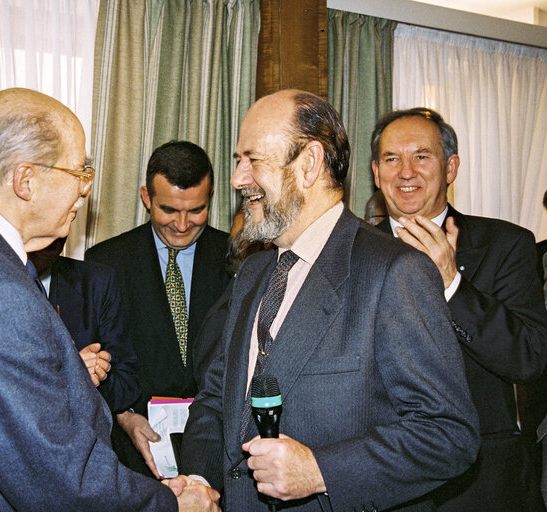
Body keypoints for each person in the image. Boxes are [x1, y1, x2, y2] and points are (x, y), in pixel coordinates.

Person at [0, 88, 219, 511]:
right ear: (26, 179)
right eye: (80, 172)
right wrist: (171, 505)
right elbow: (58, 478)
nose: (85, 191)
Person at [179, 89, 480, 511]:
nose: (238, 179)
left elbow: (449, 435)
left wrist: (321, 470)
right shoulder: (252, 274)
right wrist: (198, 481)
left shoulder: (394, 271)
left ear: (309, 164)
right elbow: (216, 399)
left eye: (252, 160)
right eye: (237, 161)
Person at [370, 107, 547, 511]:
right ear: (377, 174)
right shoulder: (349, 253)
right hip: (381, 477)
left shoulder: (506, 244)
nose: (406, 172)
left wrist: (452, 284)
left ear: (451, 168)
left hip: (481, 484)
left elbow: (528, 359)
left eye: (422, 156)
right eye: (392, 160)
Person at [85, 140, 232, 478]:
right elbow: (96, 361)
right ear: (146, 198)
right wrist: (123, 417)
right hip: (134, 451)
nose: (182, 225)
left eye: (196, 210)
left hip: (216, 449)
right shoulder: (105, 263)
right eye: (169, 210)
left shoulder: (239, 259)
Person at [28, 237, 139, 413]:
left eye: (68, 218)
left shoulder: (96, 282)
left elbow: (126, 385)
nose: (59, 231)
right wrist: (70, 371)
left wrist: (95, 376)